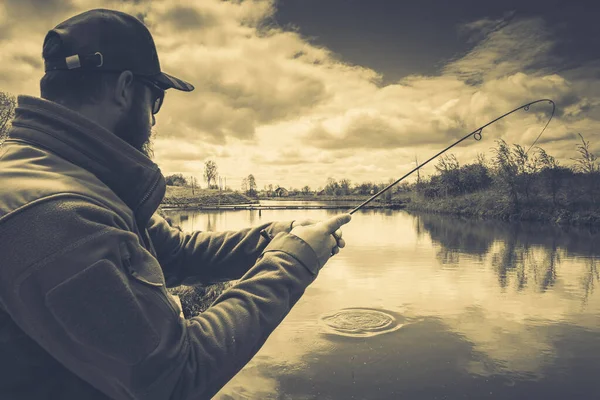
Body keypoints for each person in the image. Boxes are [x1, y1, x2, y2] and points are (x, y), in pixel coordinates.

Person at [0, 9, 351, 400]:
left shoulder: (66, 177)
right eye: (156, 99)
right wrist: (294, 263)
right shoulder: (58, 216)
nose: (153, 120)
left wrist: (273, 237)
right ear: (125, 88)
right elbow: (175, 378)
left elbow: (174, 254)